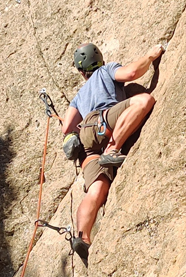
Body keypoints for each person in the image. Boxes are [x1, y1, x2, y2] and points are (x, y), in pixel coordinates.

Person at [61, 42, 164, 264]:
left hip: (87, 142)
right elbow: (132, 72)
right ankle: (114, 148)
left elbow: (66, 127)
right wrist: (150, 55)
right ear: (99, 60)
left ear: (81, 71)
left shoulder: (79, 95)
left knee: (96, 190)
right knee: (144, 100)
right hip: (103, 123)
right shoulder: (105, 71)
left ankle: (82, 236)